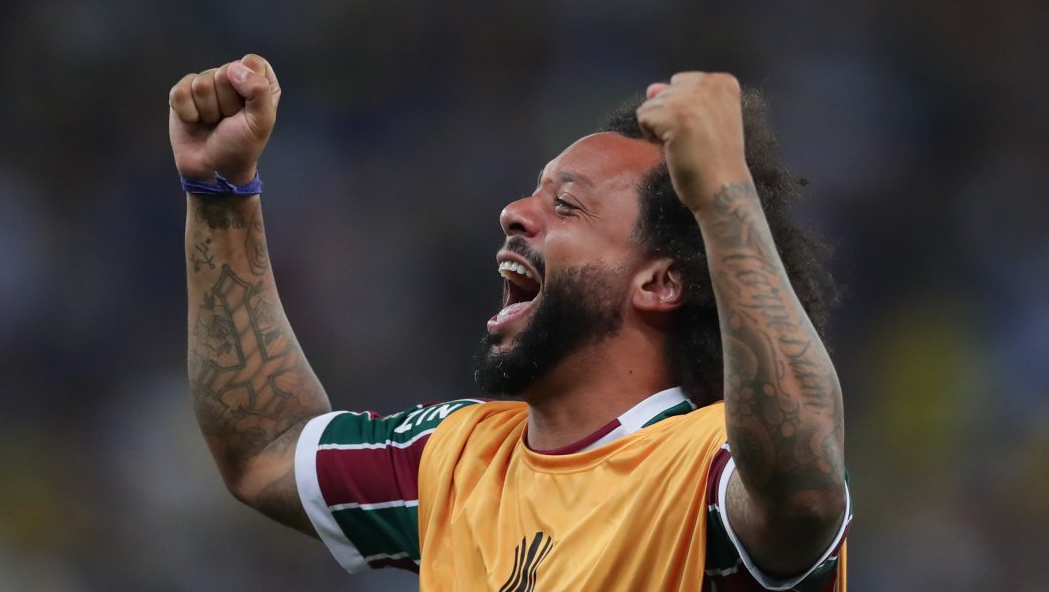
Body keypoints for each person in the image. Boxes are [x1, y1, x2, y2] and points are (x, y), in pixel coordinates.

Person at [168, 54, 850, 591]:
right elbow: (265, 448)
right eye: (533, 189)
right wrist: (221, 192)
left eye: (567, 204)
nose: (516, 211)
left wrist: (723, 193)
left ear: (661, 282)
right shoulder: (457, 456)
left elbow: (807, 488)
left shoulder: (708, 469)